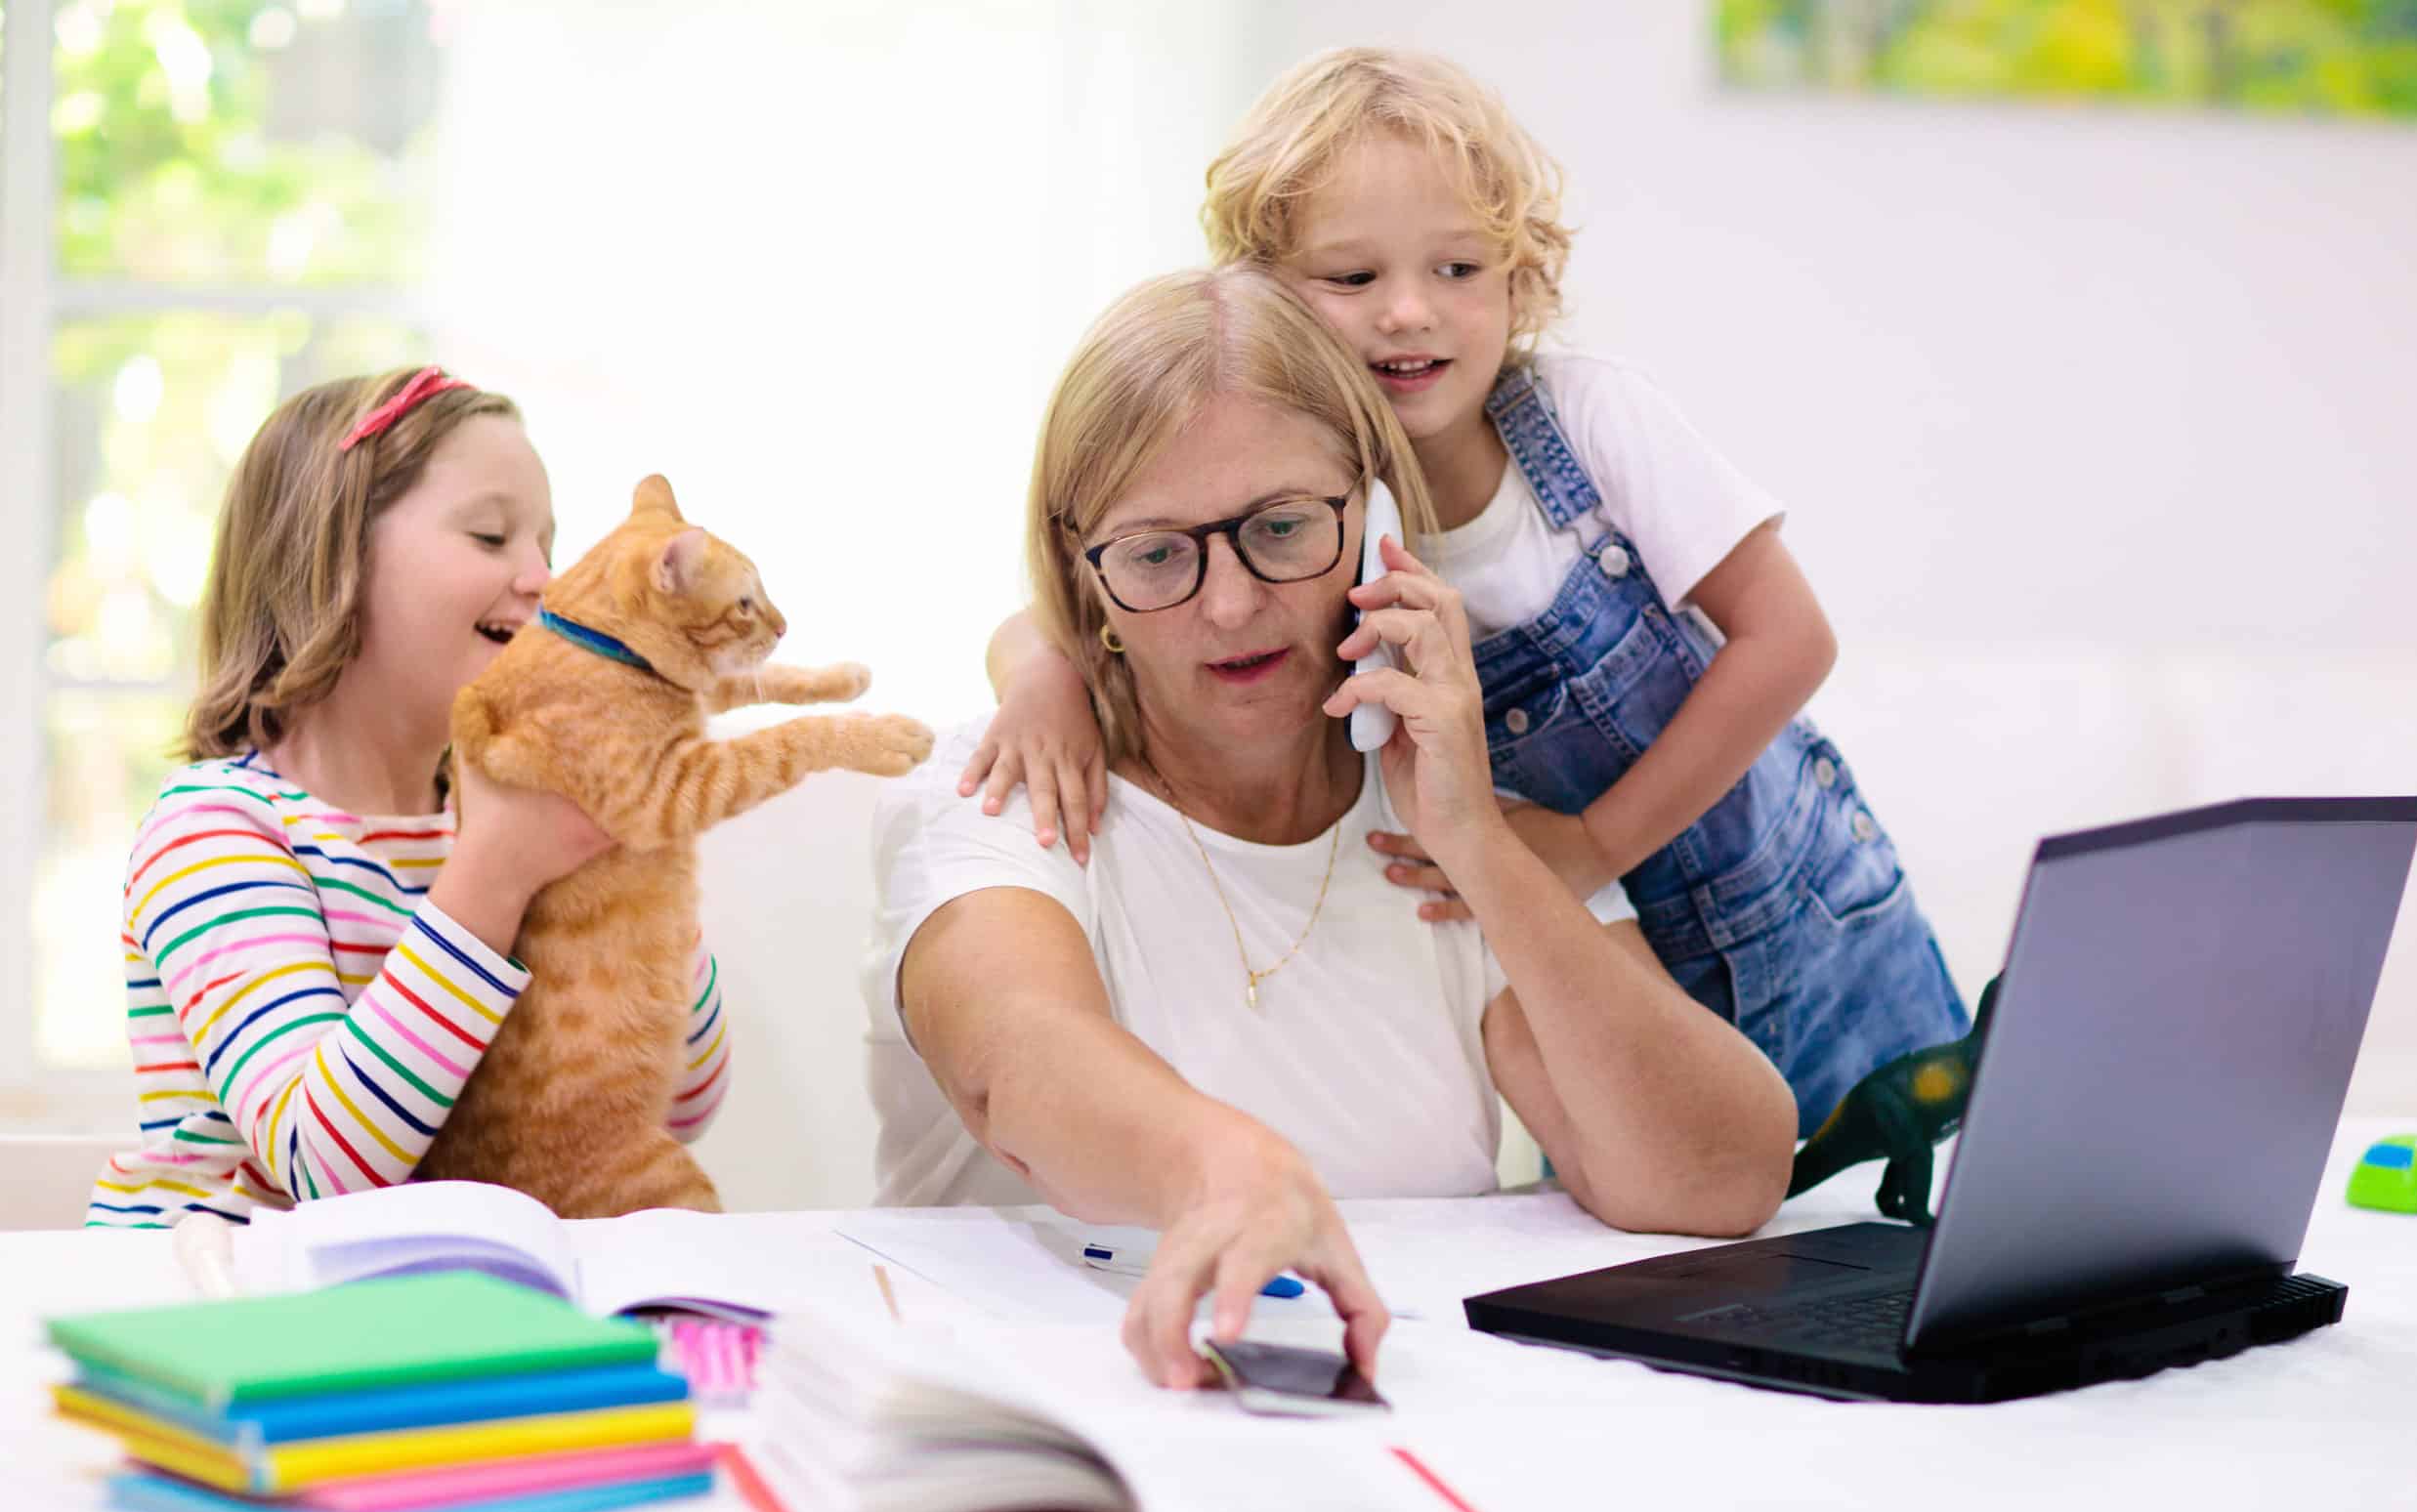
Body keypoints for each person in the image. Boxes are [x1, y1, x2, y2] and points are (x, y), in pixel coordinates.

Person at [961, 48, 1972, 1152]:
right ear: (1261, 300)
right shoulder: (1310, 501)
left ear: (1516, 278)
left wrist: (1591, 844)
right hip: (1596, 964)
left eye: (1457, 270)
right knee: (1676, 1224)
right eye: (1351, 279)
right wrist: (1043, 682)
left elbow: (1789, 639)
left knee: (1911, 1197)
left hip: (1808, 917)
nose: (1408, 313)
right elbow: (1100, 585)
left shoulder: (1590, 424)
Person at [863, 270, 1795, 1389]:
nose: (1229, 603)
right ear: (1084, 575)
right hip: (1042, 1433)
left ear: (1377, 524)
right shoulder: (1002, 788)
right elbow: (1013, 1060)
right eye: (1158, 552)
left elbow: (1712, 1181)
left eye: (1282, 528)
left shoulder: (1463, 836)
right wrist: (1230, 1169)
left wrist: (1481, 848)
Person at [89, 367, 730, 1226]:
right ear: (333, 562)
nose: (545, 578)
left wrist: (637, 863)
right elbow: (324, 1167)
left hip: (420, 1310)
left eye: (549, 542)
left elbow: (673, 1106)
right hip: (214, 1307)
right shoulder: (215, 831)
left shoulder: (504, 820)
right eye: (492, 536)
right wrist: (495, 874)